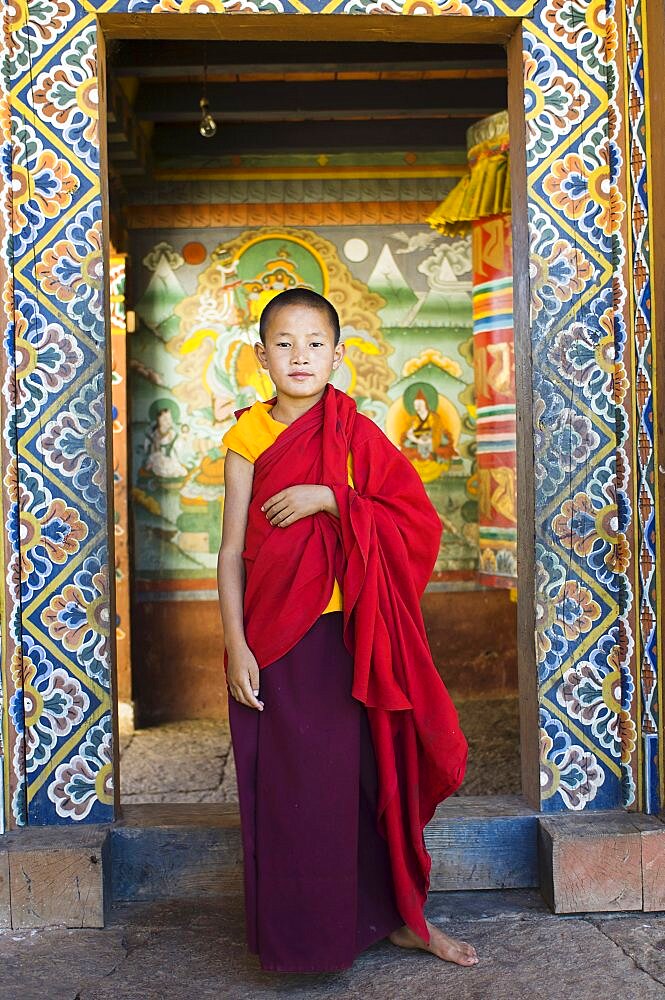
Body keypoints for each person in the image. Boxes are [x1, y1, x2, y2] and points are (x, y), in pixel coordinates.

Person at [217, 287, 477, 974]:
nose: (298, 356)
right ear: (259, 355)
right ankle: (302, 942)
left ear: (337, 354)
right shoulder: (246, 438)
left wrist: (335, 499)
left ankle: (394, 919)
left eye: (313, 344)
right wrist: (235, 644)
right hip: (273, 642)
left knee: (363, 782)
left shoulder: (355, 433)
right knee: (292, 794)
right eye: (283, 343)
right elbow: (227, 550)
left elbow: (416, 522)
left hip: (350, 640)